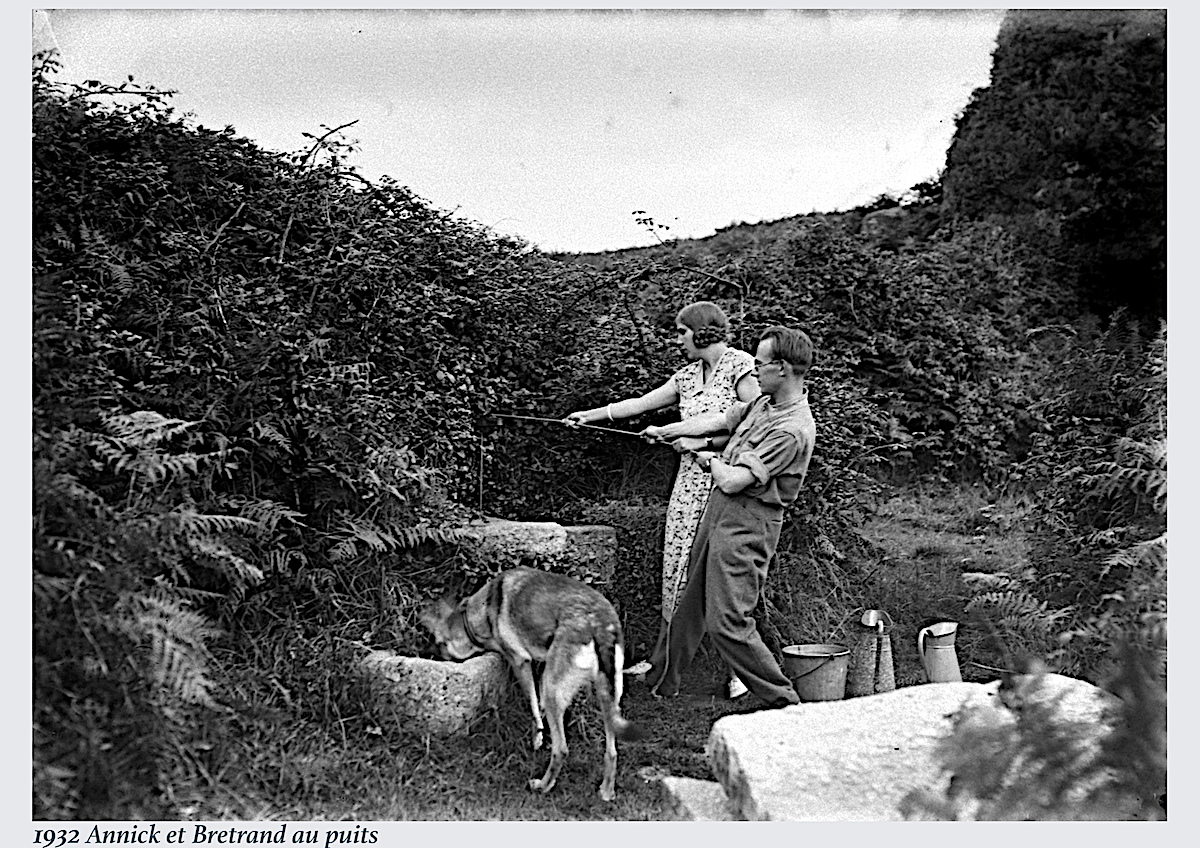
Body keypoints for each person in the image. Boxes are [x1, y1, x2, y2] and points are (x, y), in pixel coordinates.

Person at [563, 301, 758, 698]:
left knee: (722, 573)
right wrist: (590, 415)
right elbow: (640, 404)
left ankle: (740, 668)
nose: (677, 340)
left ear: (701, 330)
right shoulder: (686, 376)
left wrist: (693, 438)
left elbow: (752, 420)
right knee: (678, 567)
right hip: (688, 484)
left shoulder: (740, 366)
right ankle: (664, 660)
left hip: (729, 481)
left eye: (681, 332)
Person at [640, 325, 817, 710]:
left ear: (782, 368)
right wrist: (667, 432)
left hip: (748, 524)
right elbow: (720, 421)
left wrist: (709, 459)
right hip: (720, 511)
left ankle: (785, 701)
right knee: (690, 601)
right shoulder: (763, 404)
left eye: (759, 364)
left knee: (727, 622)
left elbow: (734, 480)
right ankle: (663, 680)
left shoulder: (792, 430)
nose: (753, 371)